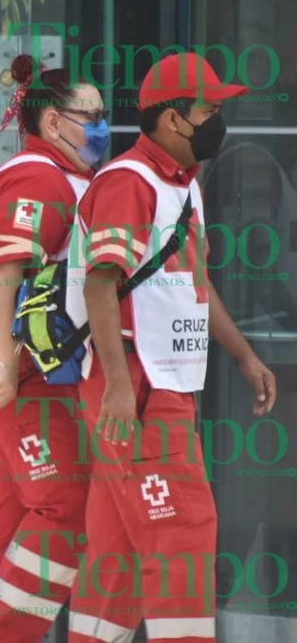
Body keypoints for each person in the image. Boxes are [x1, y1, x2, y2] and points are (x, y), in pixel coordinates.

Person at [66, 52, 277, 643]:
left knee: (119, 553)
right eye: (208, 109)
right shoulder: (128, 183)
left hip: (160, 383)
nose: (217, 119)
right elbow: (101, 281)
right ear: (171, 119)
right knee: (182, 531)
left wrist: (243, 355)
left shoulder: (178, 185)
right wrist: (115, 388)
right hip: (135, 384)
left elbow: (192, 283)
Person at [0, 55, 108, 642]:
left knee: (17, 513)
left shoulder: (69, 177)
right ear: (50, 122)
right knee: (64, 506)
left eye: (101, 113)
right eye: (86, 114)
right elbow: (2, 274)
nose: (98, 124)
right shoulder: (37, 177)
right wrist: (9, 369)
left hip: (32, 364)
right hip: (12, 363)